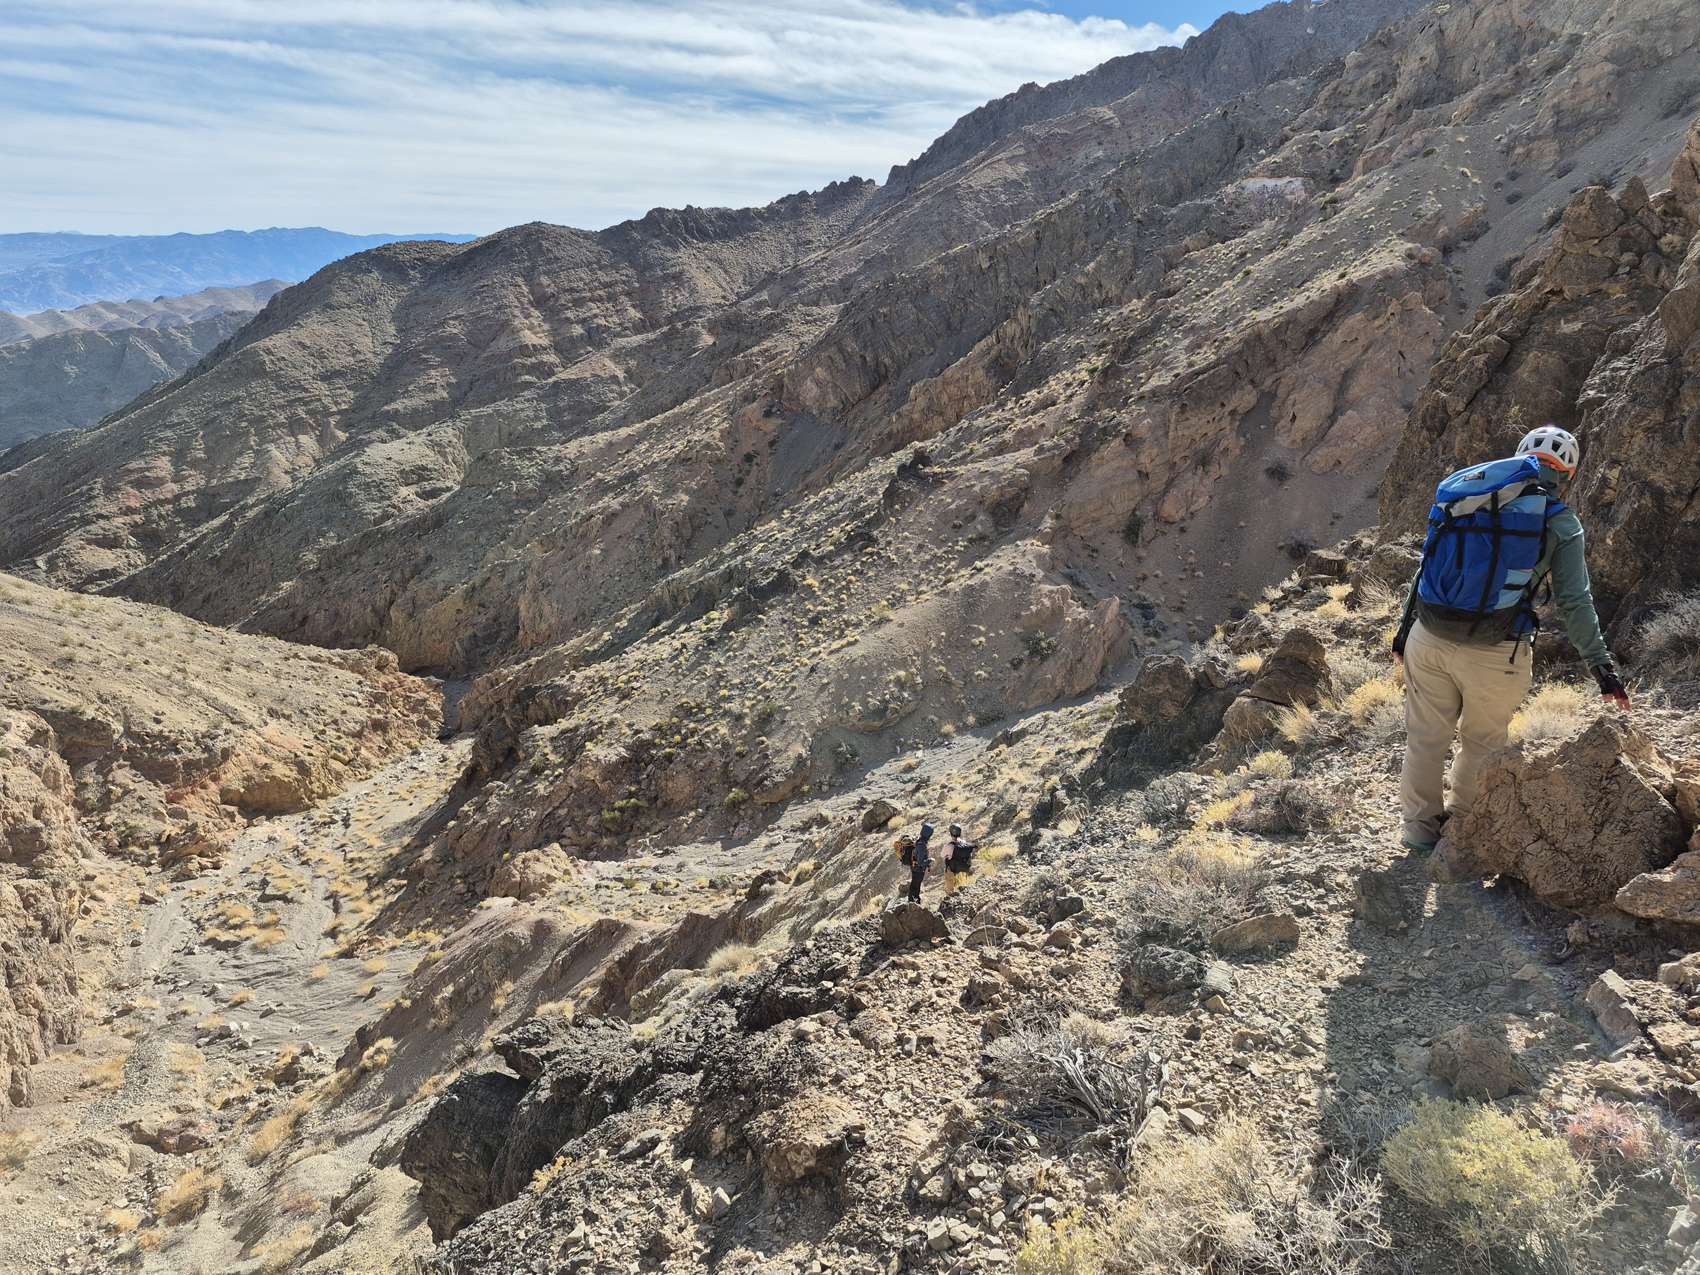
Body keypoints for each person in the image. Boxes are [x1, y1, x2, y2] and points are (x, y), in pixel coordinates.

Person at [1392, 424, 1628, 854]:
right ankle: (1461, 834)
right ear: (1568, 475)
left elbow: (1425, 567)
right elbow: (1574, 601)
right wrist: (1601, 665)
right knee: (1482, 743)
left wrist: (1402, 634)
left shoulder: (1468, 495)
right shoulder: (1560, 521)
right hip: (1497, 649)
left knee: (1425, 739)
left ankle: (1419, 832)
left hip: (1427, 635)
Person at [902, 822, 935, 904]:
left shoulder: (919, 840)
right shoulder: (922, 845)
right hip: (918, 869)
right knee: (916, 885)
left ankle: (913, 900)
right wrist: (930, 860)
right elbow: (920, 862)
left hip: (914, 866)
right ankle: (913, 902)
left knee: (915, 884)